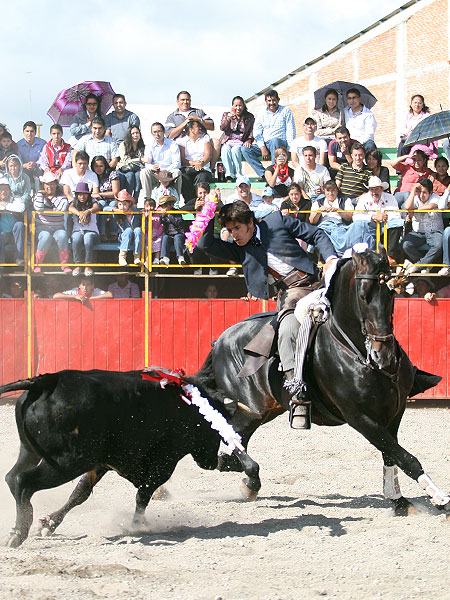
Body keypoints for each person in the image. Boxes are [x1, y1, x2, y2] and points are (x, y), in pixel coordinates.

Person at [197, 199, 336, 427]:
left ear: (251, 223)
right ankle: (297, 393)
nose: (233, 235)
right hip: (290, 294)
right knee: (288, 327)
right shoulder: (239, 249)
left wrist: (330, 258)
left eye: (237, 229)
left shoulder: (276, 221)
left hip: (318, 283)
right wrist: (210, 210)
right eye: (229, 230)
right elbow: (204, 244)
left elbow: (317, 234)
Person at [346, 176, 404, 263]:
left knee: (398, 223)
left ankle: (390, 255)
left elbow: (396, 215)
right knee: (359, 225)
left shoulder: (390, 198)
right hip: (369, 228)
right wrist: (373, 217)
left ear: (381, 189)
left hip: (386, 227)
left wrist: (384, 217)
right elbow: (356, 216)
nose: (374, 192)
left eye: (376, 189)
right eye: (372, 189)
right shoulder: (364, 198)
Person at [241, 90, 296, 178]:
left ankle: (277, 174)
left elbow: (290, 131)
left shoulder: (286, 111)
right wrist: (262, 147)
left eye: (274, 100)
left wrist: (289, 149)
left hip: (280, 144)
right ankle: (264, 175)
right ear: (266, 102)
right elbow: (257, 132)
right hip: (266, 144)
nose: (271, 103)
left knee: (275, 140)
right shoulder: (261, 113)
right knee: (245, 149)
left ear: (278, 100)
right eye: (269, 101)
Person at [164, 90, 220, 169]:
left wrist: (199, 119)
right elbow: (169, 135)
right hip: (182, 145)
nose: (185, 102)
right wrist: (184, 123)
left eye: (187, 100)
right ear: (177, 101)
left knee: (216, 142)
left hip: (201, 142)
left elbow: (212, 126)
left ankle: (211, 169)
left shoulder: (198, 112)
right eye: (182, 100)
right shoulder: (172, 117)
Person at [403, 178, 443, 275]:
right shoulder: (415, 198)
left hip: (434, 231)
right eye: (419, 192)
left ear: (430, 192)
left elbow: (430, 206)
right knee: (406, 245)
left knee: (438, 245)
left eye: (424, 192)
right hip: (418, 232)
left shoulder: (436, 197)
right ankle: (426, 265)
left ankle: (418, 265)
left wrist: (414, 210)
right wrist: (413, 190)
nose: (421, 195)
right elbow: (407, 207)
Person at [33, 171, 71, 273]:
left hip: (58, 227)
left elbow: (62, 208)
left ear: (56, 184)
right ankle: (38, 264)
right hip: (42, 227)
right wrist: (42, 194)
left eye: (52, 184)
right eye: (47, 184)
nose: (50, 186)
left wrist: (52, 198)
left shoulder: (62, 197)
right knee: (45, 237)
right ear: (43, 185)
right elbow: (39, 208)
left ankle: (64, 264)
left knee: (62, 235)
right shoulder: (38, 195)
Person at [140, 122, 182, 206]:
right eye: (154, 132)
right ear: (152, 134)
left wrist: (166, 170)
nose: (157, 134)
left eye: (159, 131)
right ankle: (148, 201)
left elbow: (177, 163)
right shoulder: (149, 145)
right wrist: (153, 167)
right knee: (144, 172)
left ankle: (176, 202)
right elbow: (147, 164)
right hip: (156, 173)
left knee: (177, 172)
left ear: (164, 131)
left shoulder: (172, 144)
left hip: (169, 172)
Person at [309, 180, 352, 255]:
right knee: (319, 234)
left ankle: (339, 254)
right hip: (324, 226)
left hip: (339, 226)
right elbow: (312, 221)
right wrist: (318, 211)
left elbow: (349, 217)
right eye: (328, 191)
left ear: (337, 191)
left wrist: (337, 210)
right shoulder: (318, 202)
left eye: (333, 190)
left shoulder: (345, 200)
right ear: (324, 191)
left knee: (337, 233)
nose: (330, 193)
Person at [219, 96, 255, 181]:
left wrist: (249, 140)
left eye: (240, 105)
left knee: (235, 150)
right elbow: (222, 128)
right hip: (228, 140)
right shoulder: (226, 114)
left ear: (243, 106)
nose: (238, 108)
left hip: (240, 141)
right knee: (225, 150)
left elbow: (252, 131)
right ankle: (229, 174)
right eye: (236, 105)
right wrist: (228, 119)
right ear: (232, 106)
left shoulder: (249, 117)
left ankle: (238, 173)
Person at [68, 182, 100, 277]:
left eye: (85, 194)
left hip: (92, 232)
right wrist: (80, 214)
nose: (82, 196)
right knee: (76, 238)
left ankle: (88, 265)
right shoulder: (74, 202)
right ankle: (77, 265)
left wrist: (87, 211)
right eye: (80, 194)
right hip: (78, 231)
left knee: (88, 238)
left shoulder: (93, 201)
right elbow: (70, 208)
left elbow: (96, 207)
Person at [178, 121, 213, 203]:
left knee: (202, 177)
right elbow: (182, 159)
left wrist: (201, 163)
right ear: (191, 129)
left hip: (202, 168)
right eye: (198, 126)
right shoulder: (182, 141)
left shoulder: (205, 138)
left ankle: (202, 202)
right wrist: (194, 163)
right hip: (188, 168)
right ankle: (191, 203)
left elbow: (208, 154)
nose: (200, 128)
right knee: (183, 178)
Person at [90, 155, 120, 241]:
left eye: (101, 166)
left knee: (111, 207)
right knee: (100, 206)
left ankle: (114, 233)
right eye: (96, 166)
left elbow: (115, 192)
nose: (99, 168)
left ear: (105, 165)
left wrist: (100, 194)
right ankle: (101, 233)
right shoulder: (93, 176)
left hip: (113, 199)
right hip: (100, 200)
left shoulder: (112, 174)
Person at [0, 176, 25, 266]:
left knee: (20, 225)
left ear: (10, 190)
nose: (3, 192)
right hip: (2, 233)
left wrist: (5, 205)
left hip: (14, 232)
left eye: (5, 189)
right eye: (1, 189)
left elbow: (21, 208)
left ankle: (19, 257)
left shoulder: (16, 198)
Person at [117, 125, 145, 200]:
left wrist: (141, 160)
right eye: (133, 133)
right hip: (125, 169)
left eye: (137, 133)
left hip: (137, 169)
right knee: (130, 175)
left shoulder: (142, 146)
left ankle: (135, 199)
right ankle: (128, 198)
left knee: (139, 175)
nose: (135, 135)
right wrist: (140, 159)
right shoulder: (123, 145)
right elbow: (125, 160)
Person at [115, 190, 142, 267]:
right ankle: (122, 256)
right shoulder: (118, 212)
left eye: (124, 204)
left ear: (129, 204)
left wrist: (133, 210)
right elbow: (105, 209)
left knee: (138, 229)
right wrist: (116, 210)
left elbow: (144, 221)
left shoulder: (135, 211)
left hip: (135, 236)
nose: (122, 207)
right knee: (128, 230)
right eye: (120, 204)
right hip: (123, 236)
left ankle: (137, 256)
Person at [158, 195, 186, 266]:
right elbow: (160, 222)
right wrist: (162, 217)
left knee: (177, 237)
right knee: (165, 237)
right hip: (169, 234)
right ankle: (165, 257)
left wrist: (169, 215)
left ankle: (180, 257)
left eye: (166, 205)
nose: (164, 207)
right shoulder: (163, 215)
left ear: (170, 205)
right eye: (162, 206)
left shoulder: (177, 212)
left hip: (178, 233)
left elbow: (179, 223)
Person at [143, 198, 163, 264]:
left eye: (151, 206)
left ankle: (157, 258)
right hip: (148, 232)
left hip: (157, 232)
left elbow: (161, 225)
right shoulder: (144, 215)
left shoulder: (158, 214)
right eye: (147, 206)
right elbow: (144, 226)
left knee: (158, 242)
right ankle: (147, 259)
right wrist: (147, 218)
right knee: (147, 243)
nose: (149, 208)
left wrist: (157, 235)